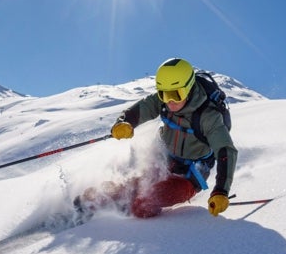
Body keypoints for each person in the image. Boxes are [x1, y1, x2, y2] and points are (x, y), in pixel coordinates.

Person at [90, 57, 237, 218]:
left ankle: (118, 217)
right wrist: (124, 123)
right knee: (125, 190)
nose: (170, 101)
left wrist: (221, 191)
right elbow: (143, 108)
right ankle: (85, 206)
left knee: (144, 203)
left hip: (189, 177)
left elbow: (226, 151)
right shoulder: (163, 100)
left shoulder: (208, 116)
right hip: (163, 161)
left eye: (176, 94)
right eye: (164, 95)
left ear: (189, 88)